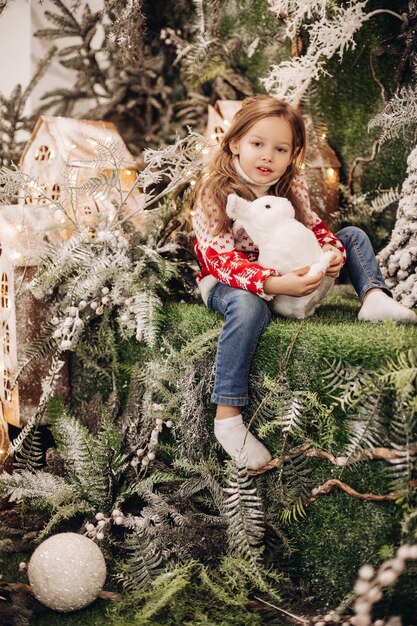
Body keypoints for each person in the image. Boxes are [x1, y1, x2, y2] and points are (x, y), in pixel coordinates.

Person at [192, 95, 417, 471]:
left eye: (280, 149)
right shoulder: (215, 191)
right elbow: (217, 257)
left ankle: (374, 296)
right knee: (248, 306)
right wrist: (274, 283)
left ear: (293, 153)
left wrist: (330, 256)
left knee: (352, 235)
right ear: (235, 143)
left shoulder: (290, 184)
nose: (267, 157)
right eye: (257, 144)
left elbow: (314, 228)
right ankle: (227, 417)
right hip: (228, 279)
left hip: (289, 272)